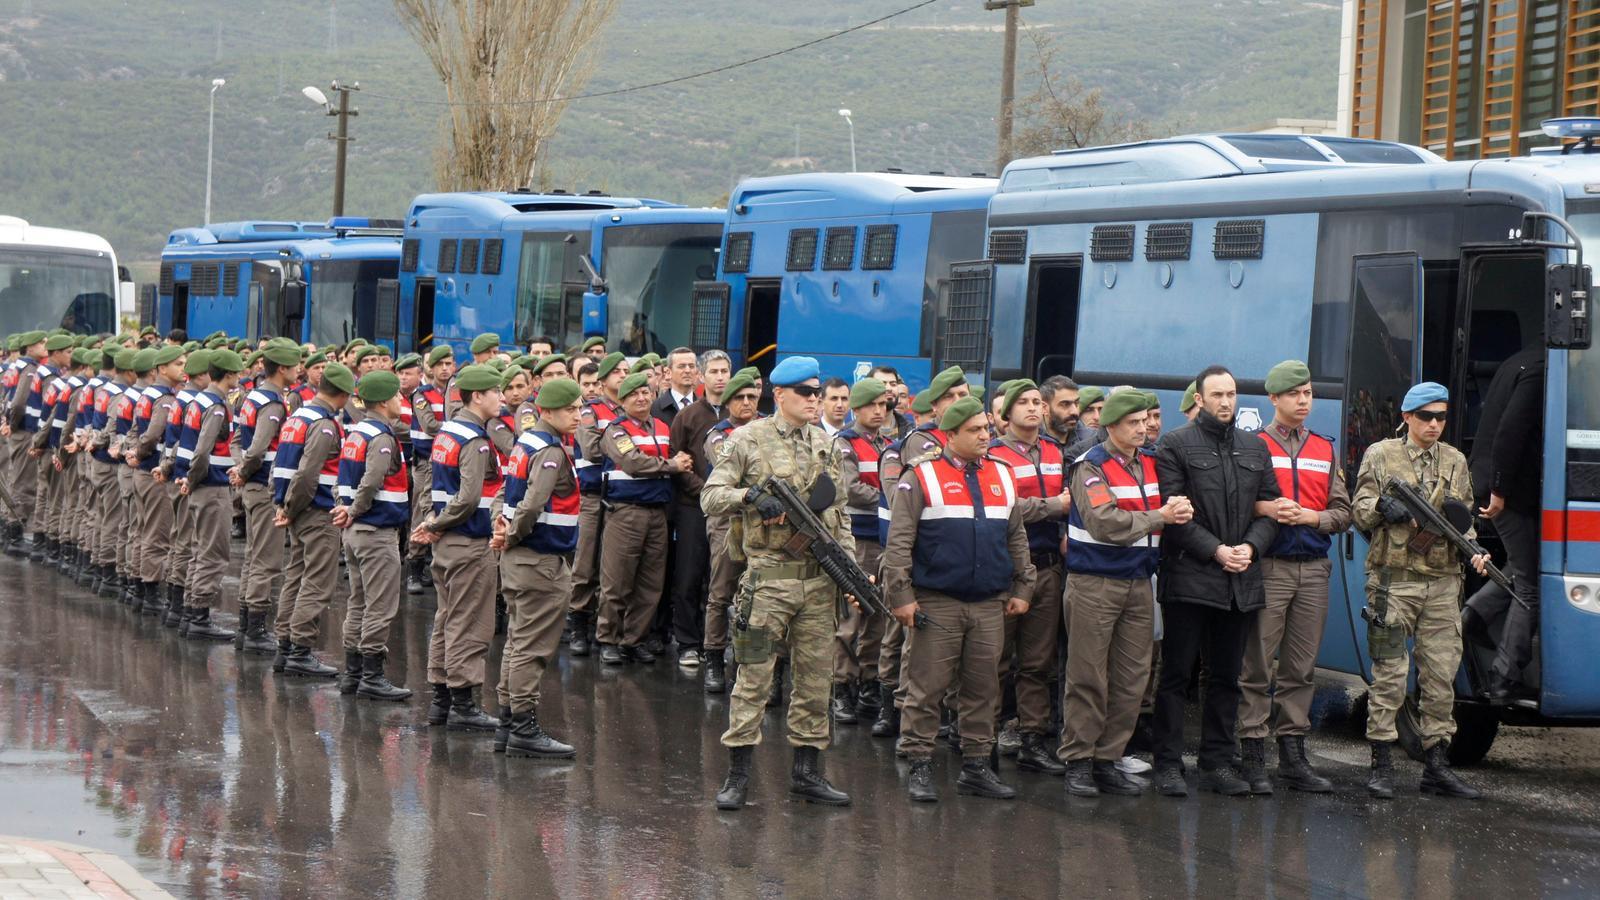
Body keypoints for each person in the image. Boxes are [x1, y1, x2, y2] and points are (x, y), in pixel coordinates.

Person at [702, 356, 854, 810]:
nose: (815, 400)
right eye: (806, 393)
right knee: (753, 677)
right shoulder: (747, 441)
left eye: (816, 392)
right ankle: (738, 775)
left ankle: (808, 772)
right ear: (780, 395)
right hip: (766, 583)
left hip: (818, 582)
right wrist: (750, 496)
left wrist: (847, 567)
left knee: (815, 678)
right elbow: (711, 496)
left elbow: (839, 512)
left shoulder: (827, 444)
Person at [885, 396, 1035, 802]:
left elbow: (1015, 537)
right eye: (975, 430)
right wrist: (901, 595)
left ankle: (975, 766)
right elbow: (899, 543)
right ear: (950, 435)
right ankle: (919, 762)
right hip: (937, 601)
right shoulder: (920, 476)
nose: (986, 436)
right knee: (926, 688)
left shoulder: (1003, 474)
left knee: (983, 689)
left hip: (989, 603)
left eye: (987, 428)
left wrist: (1024, 586)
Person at [1352, 381, 1487, 800]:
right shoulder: (1381, 454)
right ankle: (1381, 763)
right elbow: (1357, 509)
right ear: (1407, 417)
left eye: (1441, 417)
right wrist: (1380, 508)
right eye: (1426, 416)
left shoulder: (1455, 461)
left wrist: (1475, 550)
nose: (1434, 424)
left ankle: (1436, 765)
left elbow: (1464, 519)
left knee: (1440, 676)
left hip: (1444, 583)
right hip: (1394, 583)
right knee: (1390, 674)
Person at [1150, 365, 1281, 798]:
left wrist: (1251, 548)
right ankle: (1168, 764)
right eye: (1217, 395)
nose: (1227, 402)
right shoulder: (1174, 445)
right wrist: (1216, 550)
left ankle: (1217, 764)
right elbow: (1175, 516)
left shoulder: (1253, 446)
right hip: (1191, 575)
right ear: (1199, 399)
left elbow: (1270, 508)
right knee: (1176, 674)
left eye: (1232, 394)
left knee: (1226, 677)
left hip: (1239, 579)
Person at [1060, 391, 1189, 796]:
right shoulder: (1090, 467)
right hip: (1095, 583)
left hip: (1138, 582)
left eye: (1146, 420)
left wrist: (1177, 509)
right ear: (1110, 426)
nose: (1143, 428)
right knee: (1088, 676)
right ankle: (1079, 760)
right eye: (1133, 422)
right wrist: (1161, 517)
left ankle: (1107, 758)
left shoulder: (1151, 462)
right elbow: (1104, 523)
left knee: (1132, 678)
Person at [1239, 361, 1351, 793]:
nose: (1304, 401)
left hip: (1313, 569)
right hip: (1269, 566)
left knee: (1302, 668)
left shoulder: (1325, 448)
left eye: (1307, 393)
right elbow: (1234, 505)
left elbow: (1343, 513)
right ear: (1274, 399)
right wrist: (1266, 509)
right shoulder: (1254, 446)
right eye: (1294, 394)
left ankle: (1292, 756)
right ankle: (1251, 753)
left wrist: (1312, 517)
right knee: (1256, 664)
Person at [490, 377, 586, 759]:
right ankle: (524, 728)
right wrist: (511, 534)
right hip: (540, 561)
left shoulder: (525, 441)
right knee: (532, 647)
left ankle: (506, 721)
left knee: (517, 641)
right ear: (546, 411)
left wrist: (501, 527)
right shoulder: (551, 450)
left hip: (521, 559)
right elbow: (531, 505)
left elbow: (502, 493)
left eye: (580, 408)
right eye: (570, 410)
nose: (578, 416)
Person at [413, 364, 505, 734]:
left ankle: (442, 699)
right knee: (471, 623)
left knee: (447, 618)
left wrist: (433, 523)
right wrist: (436, 524)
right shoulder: (475, 439)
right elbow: (468, 498)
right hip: (468, 540)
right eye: (496, 391)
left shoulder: (448, 431)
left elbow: (436, 489)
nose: (501, 398)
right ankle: (464, 703)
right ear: (477, 397)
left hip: (448, 541)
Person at [987, 379, 1072, 774]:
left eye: (1038, 401)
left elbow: (1074, 503)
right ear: (1006, 413)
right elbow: (1003, 507)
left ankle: (1032, 739)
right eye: (1023, 402)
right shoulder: (993, 454)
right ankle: (981, 739)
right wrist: (1052, 506)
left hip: (1049, 565)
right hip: (1006, 568)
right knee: (994, 661)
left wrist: (1064, 523)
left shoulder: (1056, 451)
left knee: (1039, 662)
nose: (1034, 408)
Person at [1463, 345, 1543, 702]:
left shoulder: (1517, 359)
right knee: (1530, 584)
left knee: (1523, 565)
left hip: (1502, 487)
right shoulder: (1540, 369)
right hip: (1507, 494)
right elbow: (1510, 431)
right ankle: (1505, 676)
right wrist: (1498, 489)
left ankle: (1474, 617)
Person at [596, 370, 690, 663]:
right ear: (623, 400)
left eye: (645, 392)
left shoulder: (662, 426)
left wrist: (671, 464)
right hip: (626, 512)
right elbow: (632, 462)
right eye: (633, 394)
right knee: (617, 582)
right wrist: (672, 466)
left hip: (657, 513)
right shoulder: (616, 430)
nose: (641, 397)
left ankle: (633, 640)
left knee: (650, 583)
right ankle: (607, 640)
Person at [333, 370, 413, 702]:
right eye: (397, 395)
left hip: (354, 532)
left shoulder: (357, 432)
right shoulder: (381, 436)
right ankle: (372, 675)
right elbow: (371, 481)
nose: (401, 401)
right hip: (375, 530)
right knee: (379, 606)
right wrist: (353, 509)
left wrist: (344, 508)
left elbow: (341, 478)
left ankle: (352, 673)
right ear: (383, 401)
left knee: (359, 602)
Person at [273, 362, 355, 678]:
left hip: (296, 509)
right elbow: (308, 474)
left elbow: (281, 465)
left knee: (296, 576)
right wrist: (291, 507)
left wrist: (282, 504)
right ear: (344, 394)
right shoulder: (323, 424)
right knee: (317, 582)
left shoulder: (298, 416)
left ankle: (285, 646)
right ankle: (300, 650)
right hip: (315, 510)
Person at [233, 340, 301, 653]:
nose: (299, 370)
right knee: (266, 560)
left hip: (251, 483)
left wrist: (240, 468)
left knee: (253, 555)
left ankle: (246, 625)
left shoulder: (253, 396)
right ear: (283, 368)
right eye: (297, 365)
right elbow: (259, 448)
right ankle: (255, 629)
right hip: (262, 486)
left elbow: (237, 439)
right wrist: (246, 470)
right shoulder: (273, 403)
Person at [831, 377, 891, 726]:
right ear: (857, 409)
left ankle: (869, 684)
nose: (880, 411)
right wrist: (891, 499)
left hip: (882, 538)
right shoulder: (845, 443)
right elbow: (851, 489)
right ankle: (842, 687)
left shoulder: (888, 444)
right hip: (857, 538)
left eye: (883, 405)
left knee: (878, 617)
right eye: (873, 405)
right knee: (850, 619)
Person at [173, 347, 244, 641]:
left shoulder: (199, 400)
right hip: (211, 487)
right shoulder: (216, 405)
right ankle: (199, 616)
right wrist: (193, 478)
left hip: (201, 485)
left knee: (200, 550)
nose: (240, 376)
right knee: (213, 554)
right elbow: (202, 451)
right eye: (237, 372)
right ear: (228, 375)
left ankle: (191, 612)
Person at [665, 349, 730, 667]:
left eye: (725, 371)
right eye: (714, 371)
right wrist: (707, 492)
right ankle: (688, 643)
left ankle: (716, 642)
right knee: (689, 576)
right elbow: (678, 462)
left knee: (720, 579)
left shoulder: (739, 415)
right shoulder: (688, 416)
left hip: (730, 511)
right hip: (693, 507)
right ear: (702, 377)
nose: (720, 377)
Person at [700, 370, 760, 694]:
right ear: (728, 403)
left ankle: (748, 663)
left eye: (752, 397)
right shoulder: (718, 435)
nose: (747, 403)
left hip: (761, 524)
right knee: (721, 593)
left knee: (756, 596)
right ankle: (713, 657)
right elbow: (734, 477)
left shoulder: (767, 431)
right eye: (740, 398)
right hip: (727, 520)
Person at [568, 351, 628, 655]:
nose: (623, 375)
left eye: (626, 370)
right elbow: (591, 449)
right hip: (593, 495)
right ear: (604, 380)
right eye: (616, 371)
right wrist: (625, 450)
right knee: (585, 562)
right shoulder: (591, 410)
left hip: (620, 498)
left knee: (613, 568)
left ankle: (605, 626)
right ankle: (577, 620)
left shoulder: (630, 411)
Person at [126, 344, 186, 616]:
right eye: (179, 364)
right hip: (153, 473)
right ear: (162, 368)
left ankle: (138, 587)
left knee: (142, 530)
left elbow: (137, 431)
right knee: (157, 534)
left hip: (142, 472)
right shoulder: (164, 398)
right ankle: (150, 591)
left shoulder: (148, 393)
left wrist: (134, 452)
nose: (183, 368)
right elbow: (151, 435)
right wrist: (140, 453)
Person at [407, 345, 455, 594]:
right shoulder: (422, 394)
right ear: (431, 368)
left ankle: (431, 561)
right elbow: (430, 426)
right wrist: (457, 430)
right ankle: (414, 566)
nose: (445, 369)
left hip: (449, 460)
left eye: (449, 364)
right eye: (440, 365)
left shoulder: (456, 393)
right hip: (426, 461)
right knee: (422, 508)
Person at [651, 347, 700, 425]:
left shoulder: (705, 407)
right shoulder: (655, 408)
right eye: (681, 366)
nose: (687, 370)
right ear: (668, 372)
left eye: (691, 366)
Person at [1039, 375, 1080, 446]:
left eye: (1076, 403)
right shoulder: (1031, 440)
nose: (1075, 411)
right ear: (1044, 408)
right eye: (1065, 404)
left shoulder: (1090, 440)